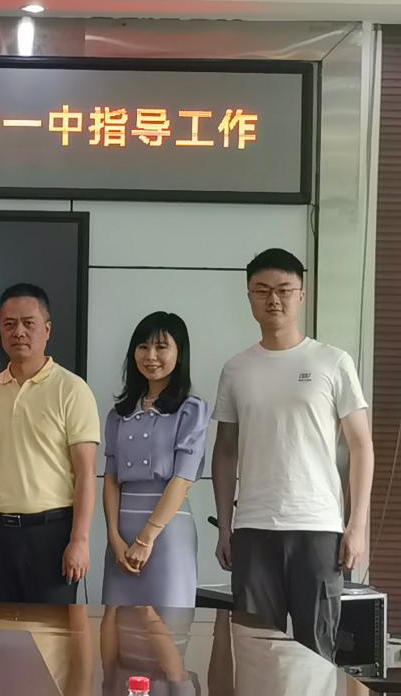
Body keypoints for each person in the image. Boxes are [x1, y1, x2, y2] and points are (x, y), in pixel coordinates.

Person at [212, 248, 374, 660]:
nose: (274, 300)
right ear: (249, 297)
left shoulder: (332, 362)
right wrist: (225, 527)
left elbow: (361, 445)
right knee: (254, 652)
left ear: (301, 295)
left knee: (316, 653)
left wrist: (357, 525)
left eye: (284, 289)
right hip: (253, 528)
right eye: (262, 290)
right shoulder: (236, 369)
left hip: (317, 527)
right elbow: (225, 450)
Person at [0, 282, 100, 603]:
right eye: (9, 324)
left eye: (28, 323)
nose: (19, 332)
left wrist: (80, 541)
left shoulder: (72, 389)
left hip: (52, 534)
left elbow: (86, 473)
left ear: (47, 329)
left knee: (52, 632)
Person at [101, 312, 209, 608]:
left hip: (167, 532)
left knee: (168, 624)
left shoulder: (190, 410)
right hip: (121, 536)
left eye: (161, 347)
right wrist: (113, 537)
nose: (150, 356)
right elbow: (111, 479)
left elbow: (182, 479)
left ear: (180, 353)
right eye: (143, 347)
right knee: (117, 624)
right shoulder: (119, 414)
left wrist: (146, 538)